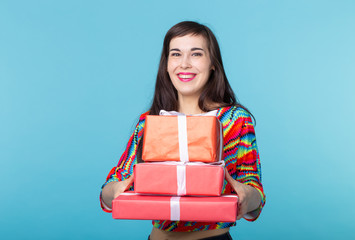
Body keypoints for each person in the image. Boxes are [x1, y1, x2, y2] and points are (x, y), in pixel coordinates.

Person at [100, 21, 265, 240]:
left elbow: (255, 192)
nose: (184, 64)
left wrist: (247, 196)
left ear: (212, 63)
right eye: (176, 54)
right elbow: (110, 189)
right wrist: (116, 191)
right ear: (166, 64)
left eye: (196, 54)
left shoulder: (235, 120)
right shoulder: (150, 122)